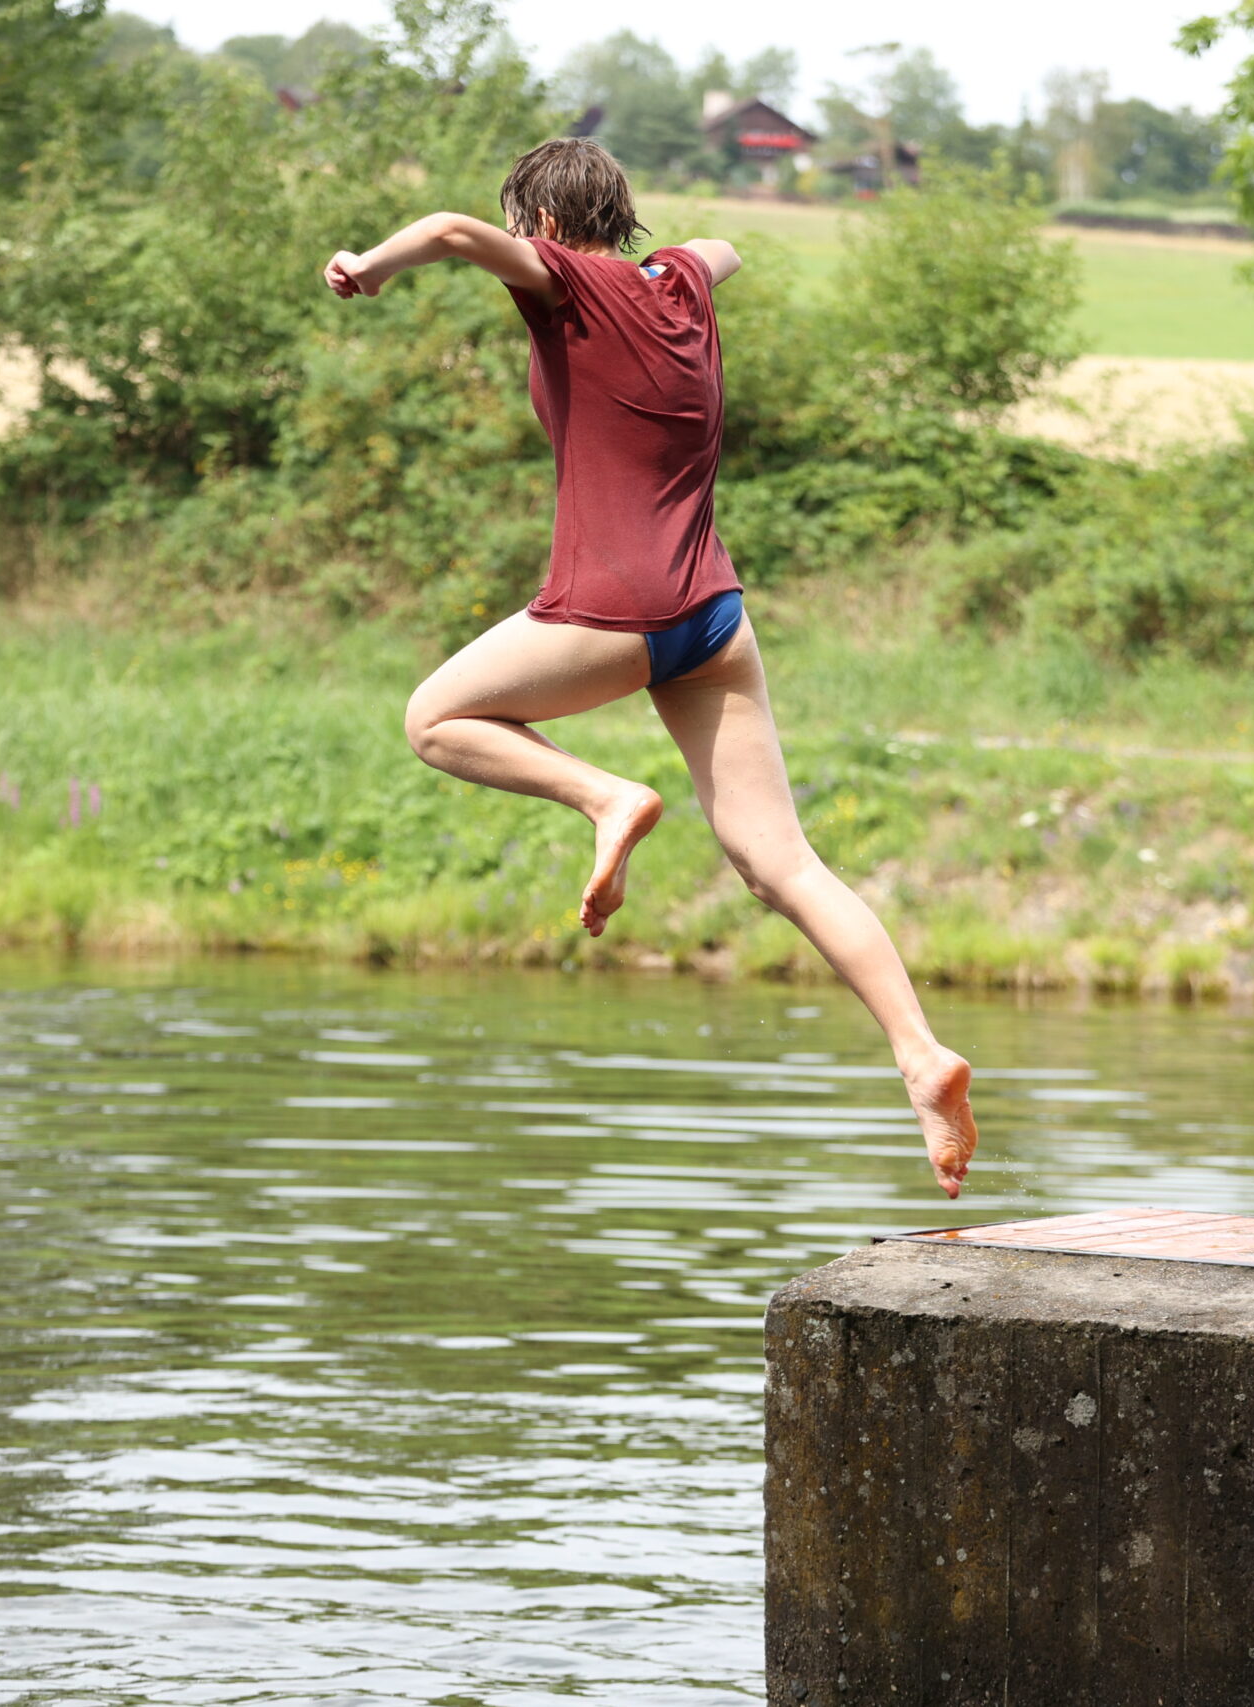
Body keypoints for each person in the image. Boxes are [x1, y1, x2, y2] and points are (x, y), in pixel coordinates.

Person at [322, 137, 980, 1198]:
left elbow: (448, 232)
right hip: (712, 620)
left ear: (542, 227)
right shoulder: (679, 283)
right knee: (782, 864)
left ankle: (607, 796)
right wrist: (678, 259)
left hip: (613, 606)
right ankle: (917, 1051)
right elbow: (723, 248)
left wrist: (369, 265)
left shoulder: (564, 282)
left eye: (525, 229)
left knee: (433, 720)